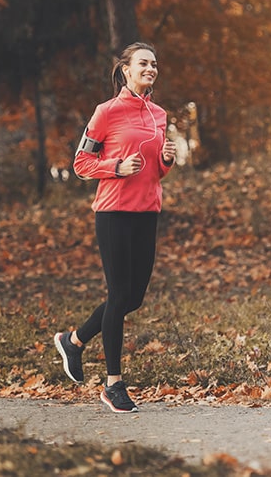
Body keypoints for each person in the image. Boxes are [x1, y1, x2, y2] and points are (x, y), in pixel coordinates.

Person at [54, 42, 176, 413]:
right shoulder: (105, 112)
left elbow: (155, 168)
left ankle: (74, 340)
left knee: (132, 298)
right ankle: (113, 384)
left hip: (147, 212)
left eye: (154, 64)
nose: (150, 69)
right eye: (143, 63)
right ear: (126, 69)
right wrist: (115, 168)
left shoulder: (159, 114)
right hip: (113, 213)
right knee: (119, 293)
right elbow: (81, 162)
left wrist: (167, 161)